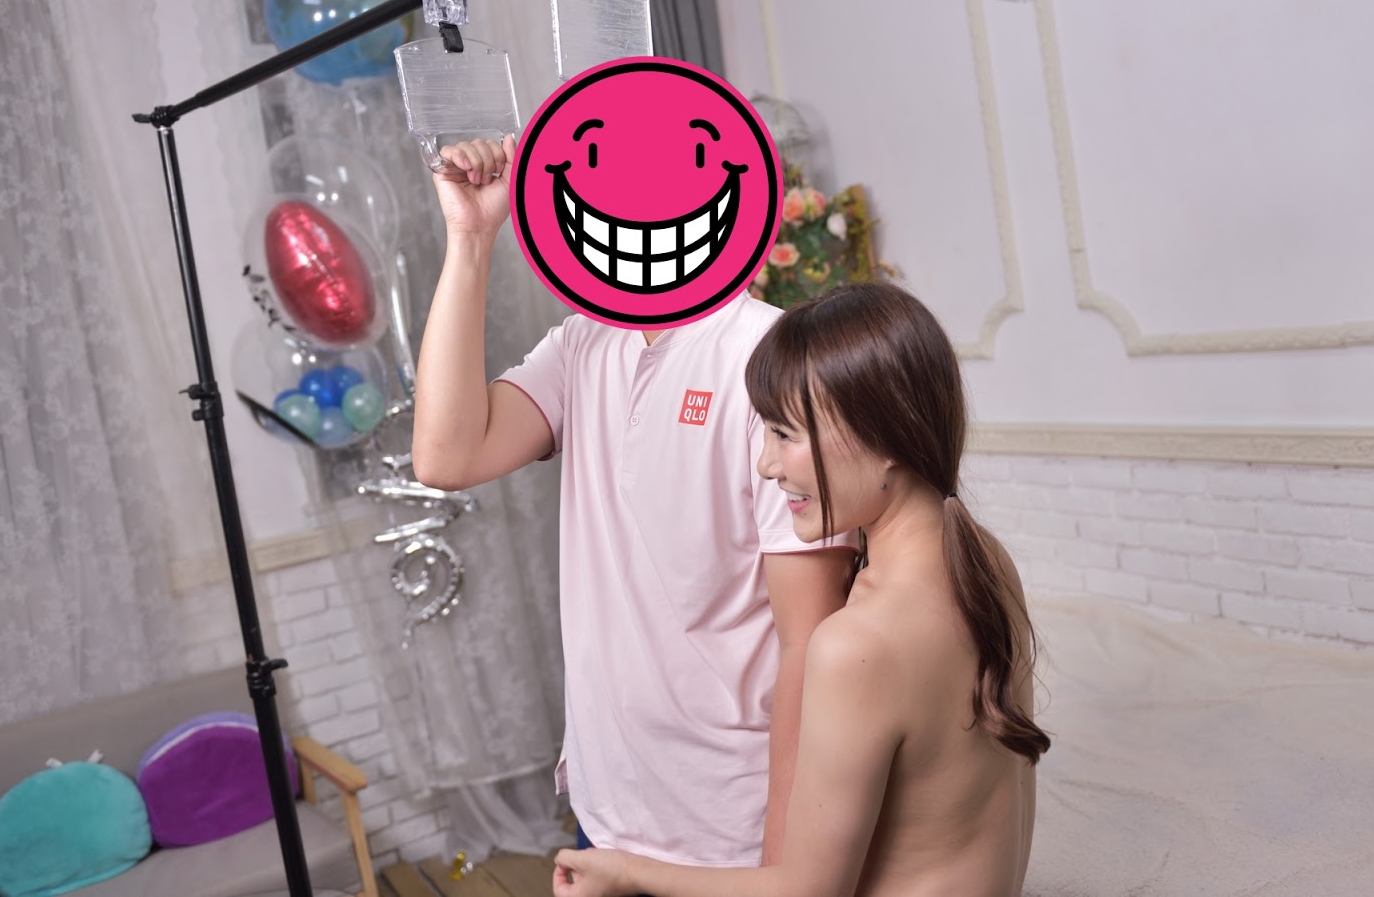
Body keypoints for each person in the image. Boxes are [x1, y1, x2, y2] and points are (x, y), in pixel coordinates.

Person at [409, 135, 857, 869]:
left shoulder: (773, 355)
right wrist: (470, 239)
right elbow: (445, 457)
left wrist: (784, 856)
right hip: (605, 804)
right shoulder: (579, 345)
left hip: (733, 824)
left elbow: (809, 641)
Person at [551, 280, 1050, 897]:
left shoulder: (855, 645)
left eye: (784, 435)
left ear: (885, 436)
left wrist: (626, 871)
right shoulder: (985, 560)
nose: (765, 465)